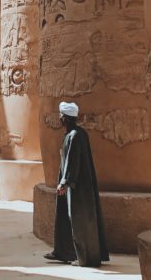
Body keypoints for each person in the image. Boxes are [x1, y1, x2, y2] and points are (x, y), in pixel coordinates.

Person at [45, 101, 109, 267]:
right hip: (73, 185)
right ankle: (63, 251)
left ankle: (85, 257)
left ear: (64, 118)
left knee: (79, 220)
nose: (59, 118)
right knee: (65, 218)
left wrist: (65, 182)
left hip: (77, 187)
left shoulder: (74, 136)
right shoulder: (75, 134)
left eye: (61, 116)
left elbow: (74, 161)